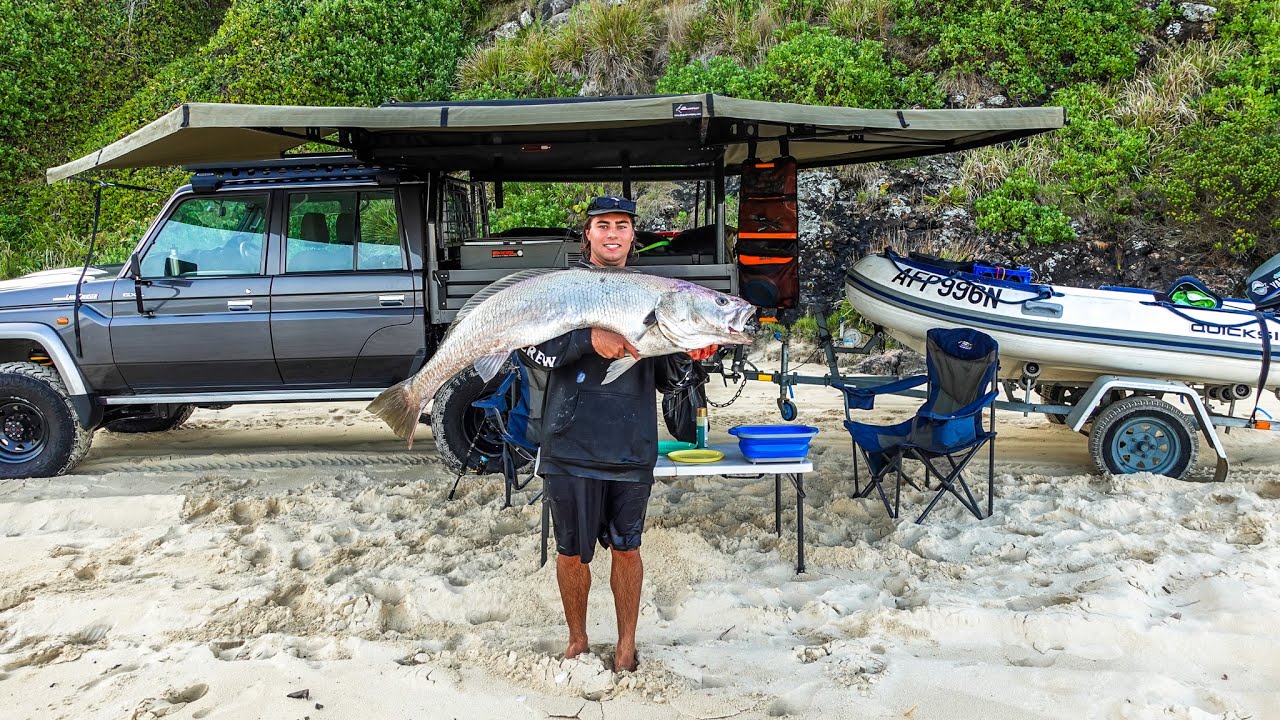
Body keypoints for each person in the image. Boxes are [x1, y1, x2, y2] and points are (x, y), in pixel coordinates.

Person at [518, 195, 717, 672]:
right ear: (587, 233)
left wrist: (690, 359)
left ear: (633, 235)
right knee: (571, 551)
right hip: (568, 442)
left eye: (622, 226)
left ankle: (626, 644)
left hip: (631, 446)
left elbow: (669, 382)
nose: (612, 234)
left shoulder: (655, 292)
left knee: (628, 548)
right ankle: (577, 640)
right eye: (602, 225)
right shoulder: (563, 286)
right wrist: (587, 339)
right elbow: (530, 350)